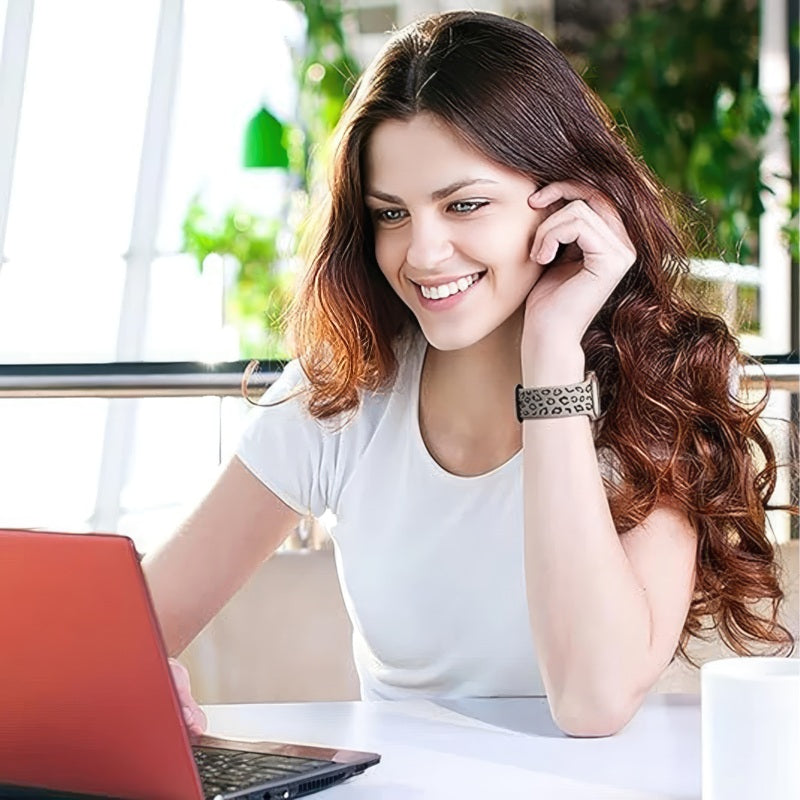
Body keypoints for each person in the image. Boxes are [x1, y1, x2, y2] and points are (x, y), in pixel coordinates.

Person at [144, 10, 794, 738]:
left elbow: (591, 700)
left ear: (568, 201)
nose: (422, 254)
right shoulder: (342, 391)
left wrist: (552, 351)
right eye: (391, 213)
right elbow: (133, 628)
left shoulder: (661, 391)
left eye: (465, 204)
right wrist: (131, 673)